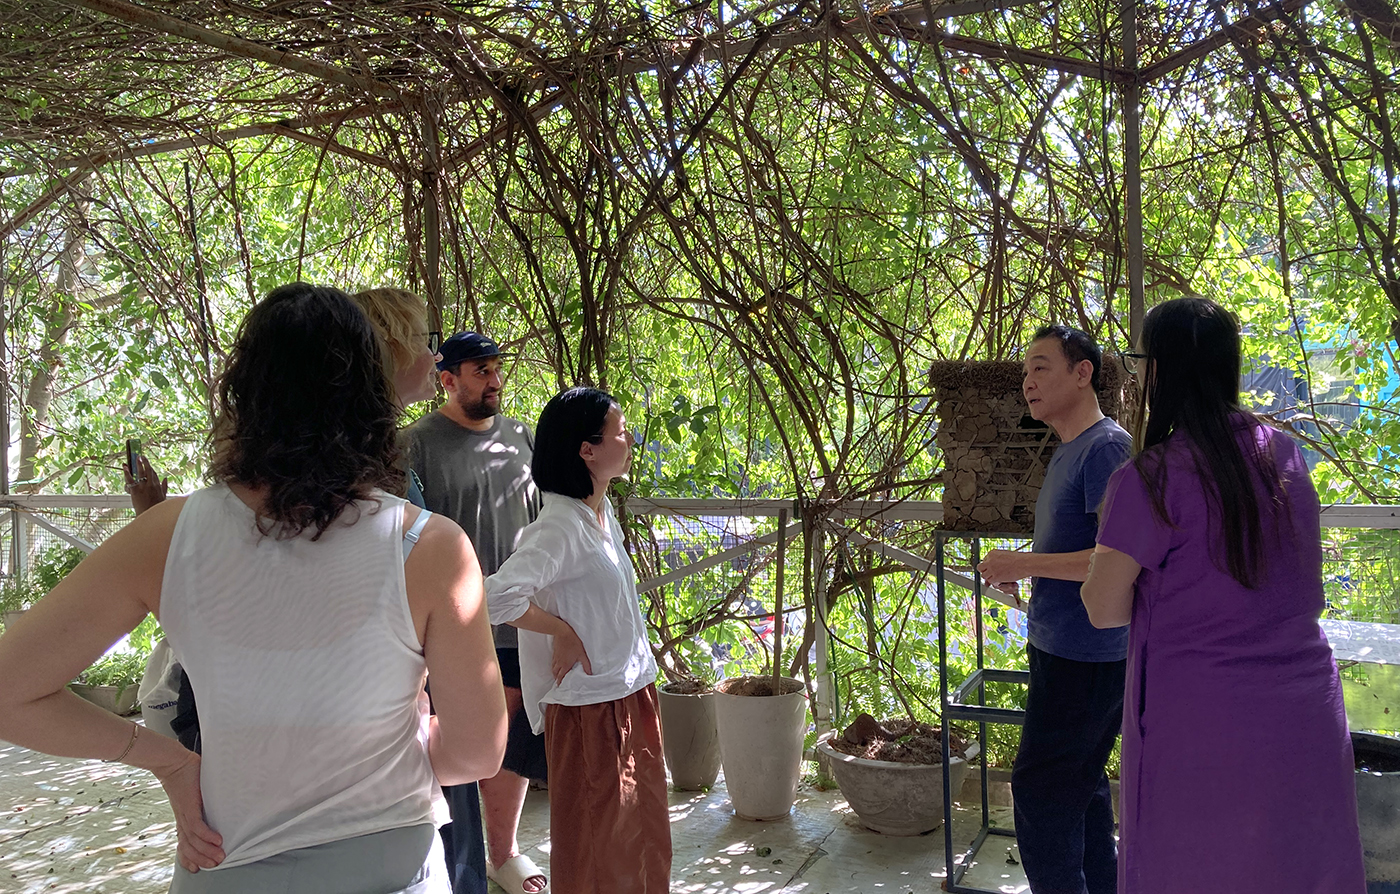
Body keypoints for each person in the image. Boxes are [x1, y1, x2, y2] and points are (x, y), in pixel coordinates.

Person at [0, 282, 508, 893]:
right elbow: (479, 753)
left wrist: (163, 758)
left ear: (243, 395)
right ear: (371, 398)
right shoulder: (432, 547)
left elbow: (10, 692)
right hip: (392, 862)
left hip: (225, 863)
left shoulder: (164, 535)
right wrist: (420, 734)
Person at [1081, 297, 1364, 893]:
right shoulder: (1282, 454)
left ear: (1159, 369)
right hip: (1305, 714)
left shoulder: (1150, 478)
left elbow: (1103, 608)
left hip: (1200, 729)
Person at [485, 387, 670, 894]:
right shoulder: (560, 525)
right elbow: (494, 598)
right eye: (620, 432)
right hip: (590, 711)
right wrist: (560, 631)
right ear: (587, 450)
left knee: (645, 842)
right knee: (598, 855)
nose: (629, 439)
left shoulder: (600, 514)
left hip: (632, 695)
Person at [976, 325, 1131, 894]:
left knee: (1041, 793)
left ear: (1083, 371)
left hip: (1089, 656)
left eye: (1040, 366)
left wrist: (1025, 564)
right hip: (1059, 646)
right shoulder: (1071, 450)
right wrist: (1026, 573)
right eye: (1024, 371)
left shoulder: (1106, 448)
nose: (1027, 382)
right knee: (1081, 788)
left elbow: (1115, 557)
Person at [402, 331, 548, 894]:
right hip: (448, 622)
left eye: (496, 369)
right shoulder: (415, 444)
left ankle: (503, 852)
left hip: (517, 618)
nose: (494, 380)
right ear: (448, 378)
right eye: (480, 371)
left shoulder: (521, 438)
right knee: (454, 740)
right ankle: (455, 861)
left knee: (511, 735)